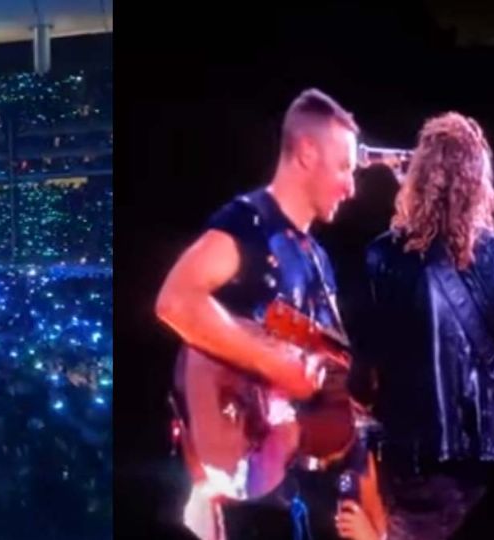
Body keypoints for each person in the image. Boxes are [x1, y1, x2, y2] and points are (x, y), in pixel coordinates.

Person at [156, 88, 383, 540]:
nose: (351, 186)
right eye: (343, 167)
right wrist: (276, 363)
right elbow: (177, 301)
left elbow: (333, 377)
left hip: (289, 496)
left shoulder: (317, 258)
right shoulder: (250, 224)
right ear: (305, 153)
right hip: (246, 501)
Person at [348, 111, 494, 540]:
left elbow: (363, 381)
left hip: (417, 473)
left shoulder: (385, 259)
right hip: (492, 473)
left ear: (419, 175)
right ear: (479, 184)